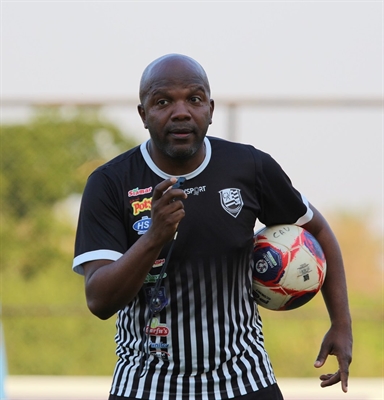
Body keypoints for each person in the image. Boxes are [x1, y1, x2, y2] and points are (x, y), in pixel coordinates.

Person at [72, 54, 352, 400]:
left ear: (210, 109)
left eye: (194, 99)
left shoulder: (248, 166)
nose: (181, 112)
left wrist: (341, 323)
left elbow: (319, 232)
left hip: (243, 379)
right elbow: (99, 300)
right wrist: (154, 238)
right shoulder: (110, 182)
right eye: (162, 102)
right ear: (143, 114)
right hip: (147, 384)